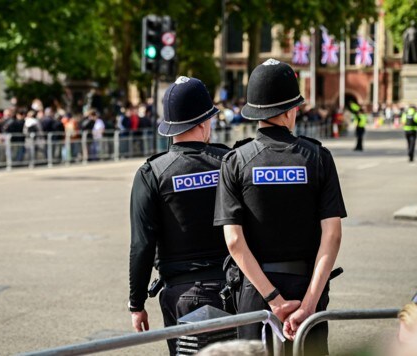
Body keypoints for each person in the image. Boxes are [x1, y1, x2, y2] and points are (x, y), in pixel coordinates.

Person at [214, 59, 346, 355]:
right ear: (289, 110)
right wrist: (310, 303)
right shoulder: (318, 158)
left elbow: (234, 241)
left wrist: (274, 300)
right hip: (306, 288)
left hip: (255, 292)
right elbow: (333, 235)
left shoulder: (235, 161)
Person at [129, 76, 231, 355]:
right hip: (237, 290)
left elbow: (142, 245)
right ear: (202, 123)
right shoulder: (230, 161)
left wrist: (136, 303)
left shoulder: (152, 173)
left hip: (184, 296)